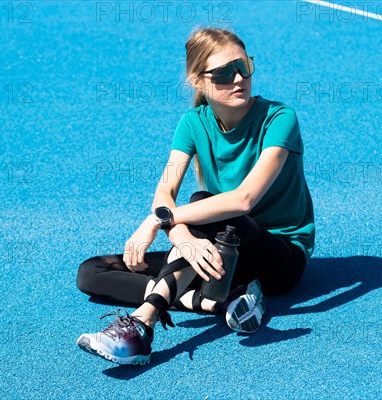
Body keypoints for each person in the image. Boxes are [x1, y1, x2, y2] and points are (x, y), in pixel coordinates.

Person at [75, 27, 315, 366]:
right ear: (199, 82)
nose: (238, 78)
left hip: (278, 256)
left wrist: (162, 221)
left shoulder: (279, 118)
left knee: (203, 199)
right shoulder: (192, 122)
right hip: (217, 250)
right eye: (222, 73)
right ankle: (221, 303)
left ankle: (142, 323)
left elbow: (243, 200)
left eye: (243, 66)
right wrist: (183, 237)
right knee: (91, 272)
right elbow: (165, 191)